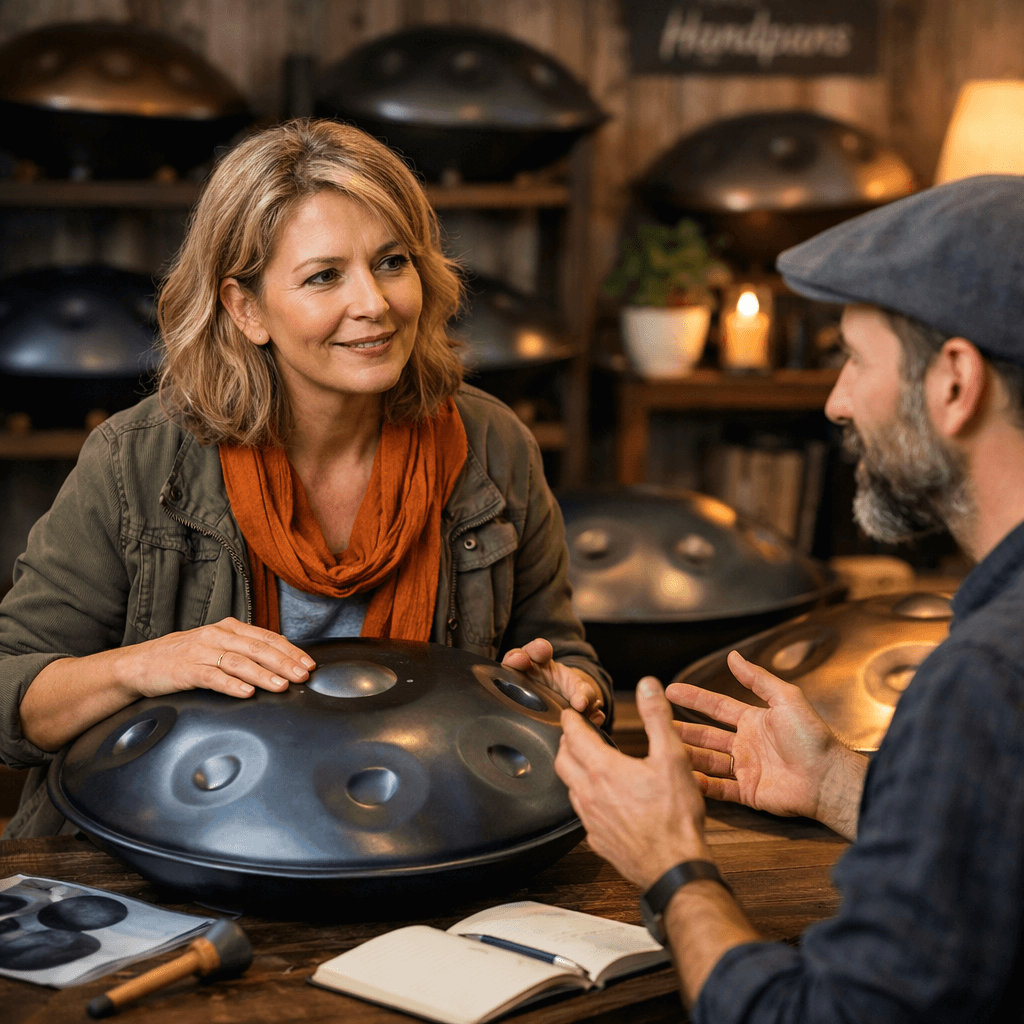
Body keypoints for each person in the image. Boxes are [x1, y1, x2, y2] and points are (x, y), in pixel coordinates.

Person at [0, 118, 610, 838]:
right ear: (246, 308)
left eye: (392, 262)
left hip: (426, 845)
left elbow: (562, 651)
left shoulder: (493, 445)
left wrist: (572, 689)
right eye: (325, 276)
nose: (374, 304)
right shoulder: (135, 461)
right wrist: (142, 666)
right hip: (173, 856)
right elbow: (11, 690)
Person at [555, 174, 1024, 1023]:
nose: (836, 402)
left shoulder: (985, 680)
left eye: (856, 359)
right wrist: (838, 785)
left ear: (956, 382)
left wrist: (673, 867)